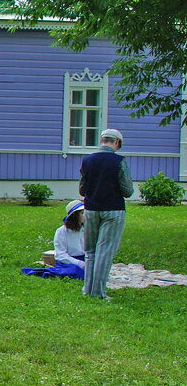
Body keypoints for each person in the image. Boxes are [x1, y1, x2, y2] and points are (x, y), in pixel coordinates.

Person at [79, 128, 133, 300]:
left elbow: (82, 189)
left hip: (91, 209)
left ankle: (87, 289)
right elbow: (128, 191)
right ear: (116, 142)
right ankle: (99, 293)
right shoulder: (119, 161)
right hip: (113, 209)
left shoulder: (87, 160)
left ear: (102, 140)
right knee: (105, 251)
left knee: (90, 251)